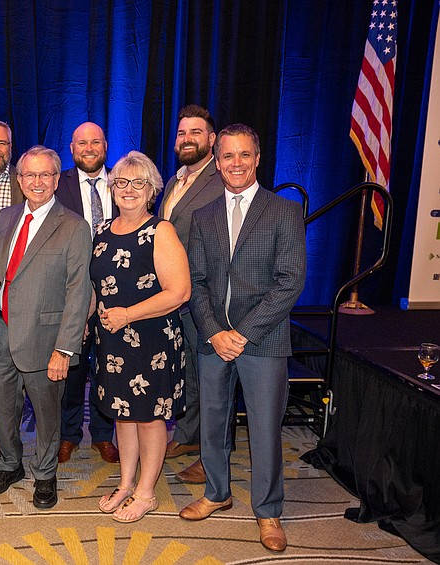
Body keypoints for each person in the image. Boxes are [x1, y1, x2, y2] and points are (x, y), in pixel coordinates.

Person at [180, 124, 306, 552]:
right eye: (228, 156)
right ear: (217, 163)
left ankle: (268, 511)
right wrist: (215, 332)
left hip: (263, 341)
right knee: (213, 423)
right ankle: (217, 493)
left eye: (244, 155)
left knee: (265, 427)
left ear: (258, 159)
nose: (236, 163)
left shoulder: (283, 211)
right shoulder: (204, 216)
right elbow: (194, 282)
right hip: (212, 341)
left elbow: (290, 283)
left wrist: (243, 333)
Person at [0, 146, 92, 509]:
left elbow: (79, 291)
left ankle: (45, 474)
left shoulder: (74, 226)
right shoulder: (4, 217)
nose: (38, 182)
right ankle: (10, 463)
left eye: (46, 175)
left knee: (46, 414)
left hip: (45, 340)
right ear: (20, 179)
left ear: (57, 179)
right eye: (30, 175)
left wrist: (65, 348)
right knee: (1, 409)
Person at [90, 151, 190, 523]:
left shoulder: (160, 231)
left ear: (151, 190)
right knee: (123, 415)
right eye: (121, 182)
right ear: (112, 188)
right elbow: (97, 287)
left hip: (152, 341)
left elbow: (179, 292)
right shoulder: (101, 231)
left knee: (149, 418)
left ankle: (147, 492)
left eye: (138, 183)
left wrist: (128, 315)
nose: (128, 190)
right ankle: (126, 483)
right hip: (112, 342)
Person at [157, 105, 225, 484]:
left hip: (206, 298)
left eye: (196, 133)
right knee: (188, 375)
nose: (187, 140)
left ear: (211, 139)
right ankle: (187, 436)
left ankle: (213, 458)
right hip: (177, 296)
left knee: (213, 379)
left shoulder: (222, 179)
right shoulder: (175, 180)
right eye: (182, 133)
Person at [55, 121, 119, 464]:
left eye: (96, 142)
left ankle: (104, 434)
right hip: (71, 289)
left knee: (109, 365)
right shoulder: (57, 183)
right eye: (82, 143)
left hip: (118, 292)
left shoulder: (125, 180)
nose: (89, 148)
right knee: (74, 365)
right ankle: (68, 434)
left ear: (105, 147)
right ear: (72, 148)